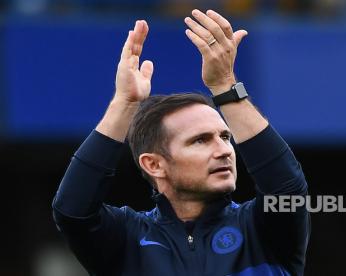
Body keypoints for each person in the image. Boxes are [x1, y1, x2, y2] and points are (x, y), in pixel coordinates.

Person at [52, 9, 309, 276]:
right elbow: (72, 211)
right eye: (200, 141)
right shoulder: (126, 239)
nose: (223, 151)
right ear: (154, 164)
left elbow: (286, 188)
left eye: (224, 137)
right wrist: (124, 104)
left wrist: (225, 86)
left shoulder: (261, 227)